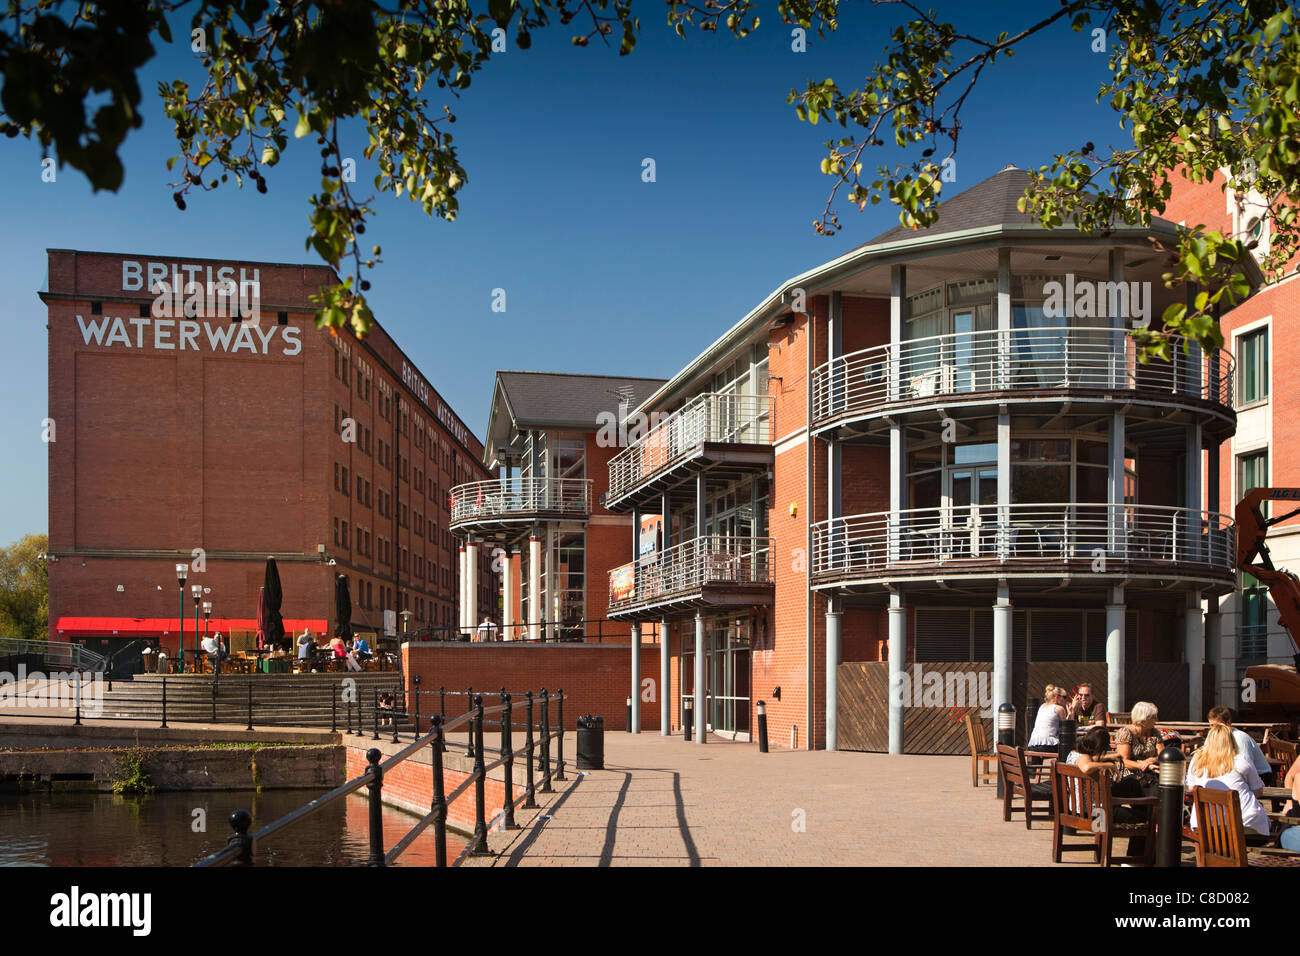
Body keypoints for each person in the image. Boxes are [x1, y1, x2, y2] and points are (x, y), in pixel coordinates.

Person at [1186, 723, 1270, 837]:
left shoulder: (1197, 759)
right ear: (1231, 740)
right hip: (1243, 824)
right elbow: (1258, 791)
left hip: (1205, 826)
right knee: (1264, 818)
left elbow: (1191, 788)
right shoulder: (1241, 759)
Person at [1207, 706, 1272, 783]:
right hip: (1232, 773)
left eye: (1217, 726)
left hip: (1260, 776)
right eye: (1211, 725)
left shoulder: (1240, 738)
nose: (1213, 729)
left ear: (1228, 723)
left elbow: (1246, 767)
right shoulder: (1212, 736)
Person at [1113, 701, 1164, 796]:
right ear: (1144, 719)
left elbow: (1161, 755)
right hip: (1129, 775)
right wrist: (1142, 765)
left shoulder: (1154, 733)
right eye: (1154, 717)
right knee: (1155, 791)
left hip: (1151, 773)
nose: (1156, 720)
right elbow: (1123, 761)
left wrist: (1149, 761)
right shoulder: (1125, 733)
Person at [1027, 684, 1068, 753]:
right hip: (1048, 745)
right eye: (1064, 697)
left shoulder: (1042, 707)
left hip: (1033, 744)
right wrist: (1072, 712)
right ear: (1057, 697)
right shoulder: (1059, 709)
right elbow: (1066, 729)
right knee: (1066, 746)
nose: (1065, 700)